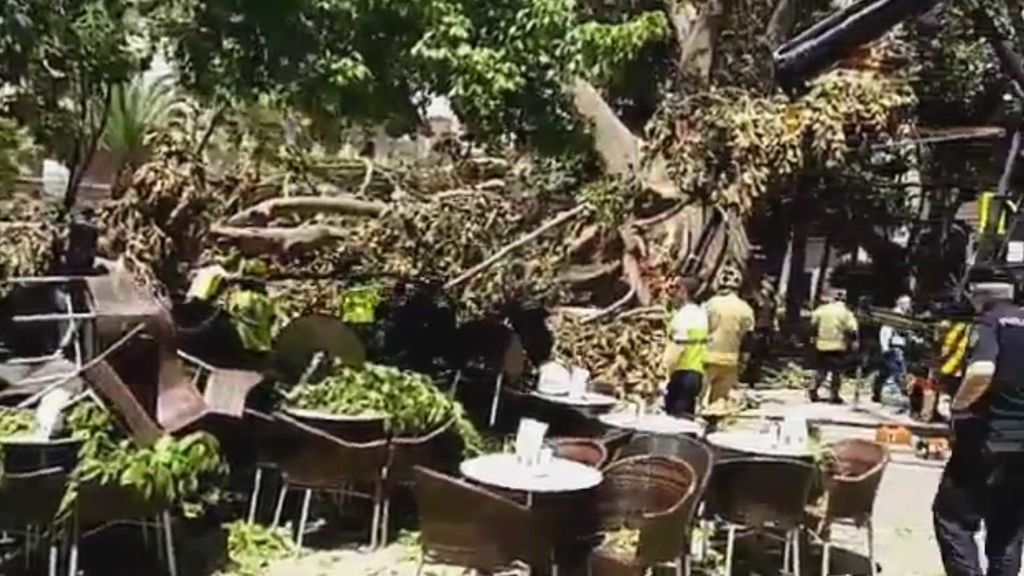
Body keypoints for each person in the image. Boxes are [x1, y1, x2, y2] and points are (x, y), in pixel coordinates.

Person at [933, 279, 1024, 576]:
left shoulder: (990, 321)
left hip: (986, 435)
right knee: (1007, 528)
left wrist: (959, 405)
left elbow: (981, 371)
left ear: (980, 298)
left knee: (952, 518)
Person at [703, 266, 755, 408]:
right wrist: (744, 360)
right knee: (720, 398)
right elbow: (748, 337)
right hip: (730, 359)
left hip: (707, 356)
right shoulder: (745, 309)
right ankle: (713, 423)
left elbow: (700, 328)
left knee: (701, 396)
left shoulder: (710, 305)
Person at [661, 277, 708, 416]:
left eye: (677, 289)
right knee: (687, 420)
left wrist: (665, 374)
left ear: (683, 292)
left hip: (682, 374)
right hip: (698, 374)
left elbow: (677, 349)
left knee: (674, 421)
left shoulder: (683, 317)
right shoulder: (702, 314)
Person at [809, 288, 859, 403]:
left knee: (820, 370)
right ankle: (834, 394)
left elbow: (813, 322)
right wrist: (854, 342)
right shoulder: (846, 312)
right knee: (836, 372)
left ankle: (813, 388)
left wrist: (813, 337)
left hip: (821, 344)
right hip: (838, 345)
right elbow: (852, 328)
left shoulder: (822, 310)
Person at [873, 294, 912, 403]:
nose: (910, 306)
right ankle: (905, 395)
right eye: (908, 303)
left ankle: (876, 393)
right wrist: (884, 347)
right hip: (894, 347)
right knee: (899, 372)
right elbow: (886, 331)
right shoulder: (896, 316)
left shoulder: (903, 315)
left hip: (895, 347)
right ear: (901, 304)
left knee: (884, 372)